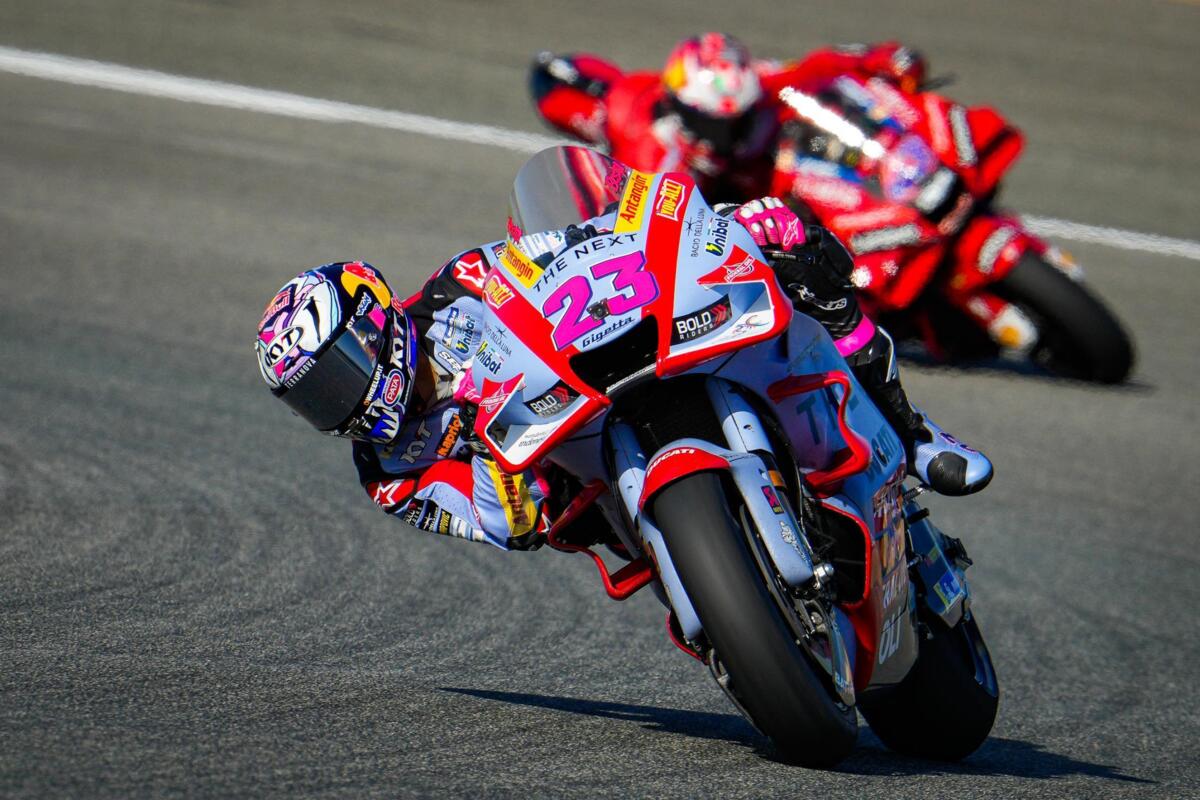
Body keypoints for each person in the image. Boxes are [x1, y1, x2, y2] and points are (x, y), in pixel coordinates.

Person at [254, 199, 991, 552]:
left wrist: (713, 221)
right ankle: (731, 610)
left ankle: (913, 433)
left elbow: (574, 247)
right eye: (315, 398)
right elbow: (503, 526)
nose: (340, 402)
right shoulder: (387, 470)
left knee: (795, 249)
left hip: (602, 378)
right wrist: (491, 458)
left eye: (338, 372)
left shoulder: (460, 288)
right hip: (582, 491)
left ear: (375, 322)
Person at [530, 33, 928, 202]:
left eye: (740, 118)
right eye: (718, 125)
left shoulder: (754, 87)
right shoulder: (657, 159)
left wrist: (880, 58)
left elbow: (816, 66)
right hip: (721, 203)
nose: (731, 133)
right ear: (686, 113)